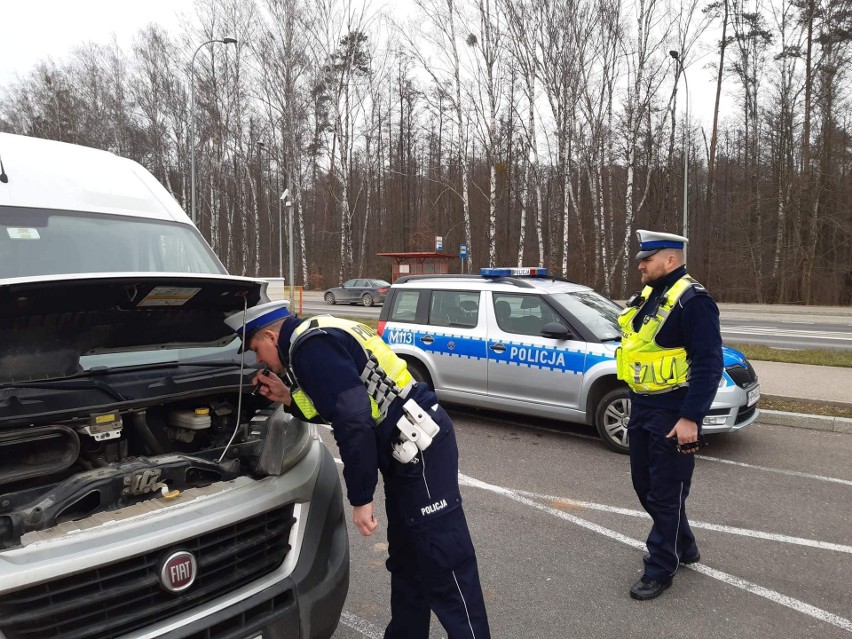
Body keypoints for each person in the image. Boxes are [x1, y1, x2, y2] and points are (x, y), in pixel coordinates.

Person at [224, 301, 491, 638]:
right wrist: (288, 398)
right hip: (406, 449)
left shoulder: (310, 348)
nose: (259, 360)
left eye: (256, 349)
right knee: (408, 559)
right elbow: (341, 405)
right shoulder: (315, 334)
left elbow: (353, 420)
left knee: (445, 560)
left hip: (419, 447)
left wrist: (361, 497)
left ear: (271, 335)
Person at [616, 230, 723, 601]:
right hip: (643, 408)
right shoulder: (651, 294)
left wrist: (691, 418)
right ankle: (685, 545)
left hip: (673, 412)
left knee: (665, 492)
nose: (641, 265)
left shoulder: (694, 302)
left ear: (671, 260)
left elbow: (709, 363)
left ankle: (661, 567)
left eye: (647, 259)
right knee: (644, 486)